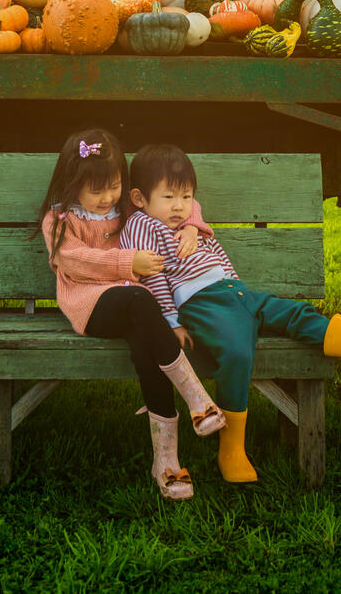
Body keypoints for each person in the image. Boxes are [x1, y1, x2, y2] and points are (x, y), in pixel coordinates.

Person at [120, 143, 341, 483]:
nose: (180, 207)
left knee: (294, 313)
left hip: (236, 293)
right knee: (237, 353)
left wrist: (204, 240)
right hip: (202, 304)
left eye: (185, 197)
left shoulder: (185, 221)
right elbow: (151, 278)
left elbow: (206, 235)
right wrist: (172, 322)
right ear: (139, 199)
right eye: (169, 198)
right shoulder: (142, 225)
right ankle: (231, 450)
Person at [38, 127, 227, 501]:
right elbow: (74, 261)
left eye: (114, 186)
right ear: (73, 184)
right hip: (90, 305)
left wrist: (190, 225)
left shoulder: (123, 208)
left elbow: (185, 205)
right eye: (97, 190)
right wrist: (129, 261)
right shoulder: (59, 221)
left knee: (145, 343)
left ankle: (167, 460)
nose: (108, 197)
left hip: (136, 306)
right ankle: (195, 398)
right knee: (142, 301)